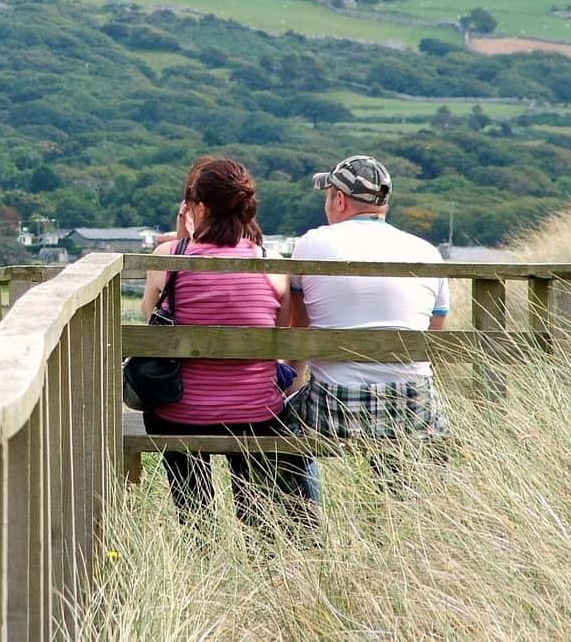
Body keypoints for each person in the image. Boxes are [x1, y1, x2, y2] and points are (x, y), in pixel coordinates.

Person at [141, 156, 318, 535]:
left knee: (169, 414)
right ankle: (255, 521)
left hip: (180, 415)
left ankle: (196, 527)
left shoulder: (170, 258)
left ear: (198, 207)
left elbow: (149, 315)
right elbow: (280, 330)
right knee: (254, 415)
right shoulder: (271, 266)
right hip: (256, 413)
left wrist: (181, 238)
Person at [288, 155, 449, 493]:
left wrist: (293, 386)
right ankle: (403, 517)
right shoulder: (427, 252)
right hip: (413, 403)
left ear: (340, 199)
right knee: (409, 443)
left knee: (277, 431)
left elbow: (298, 333)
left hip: (336, 404)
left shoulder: (311, 244)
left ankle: (304, 528)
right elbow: (434, 340)